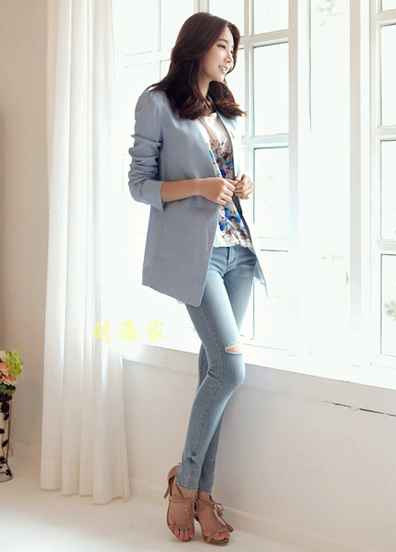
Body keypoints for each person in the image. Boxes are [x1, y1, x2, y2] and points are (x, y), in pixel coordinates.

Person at [128, 11, 269, 545]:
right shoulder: (157, 103)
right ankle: (185, 486)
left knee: (213, 372)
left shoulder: (225, 110)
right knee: (230, 371)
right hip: (197, 257)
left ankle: (204, 498)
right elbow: (139, 185)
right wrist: (199, 187)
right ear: (196, 46)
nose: (230, 55)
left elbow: (223, 176)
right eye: (222, 45)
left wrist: (239, 185)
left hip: (239, 253)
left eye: (234, 48)